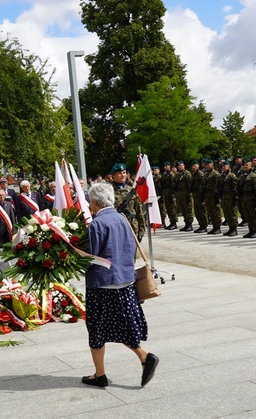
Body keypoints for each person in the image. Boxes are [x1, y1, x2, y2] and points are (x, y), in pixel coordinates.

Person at [81, 182, 158, 388]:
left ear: (95, 202)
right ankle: (144, 357)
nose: (90, 205)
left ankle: (101, 374)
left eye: (90, 201)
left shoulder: (97, 224)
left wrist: (72, 254)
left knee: (97, 329)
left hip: (103, 285)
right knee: (122, 326)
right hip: (125, 281)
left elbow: (92, 256)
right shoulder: (122, 218)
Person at [109, 163, 145, 242]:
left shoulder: (131, 190)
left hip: (132, 228)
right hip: (115, 228)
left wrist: (141, 231)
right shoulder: (107, 190)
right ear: (113, 175)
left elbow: (139, 211)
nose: (122, 175)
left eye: (124, 173)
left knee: (132, 253)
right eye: (119, 173)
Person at [238, 161, 256, 238]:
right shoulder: (242, 176)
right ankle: (250, 230)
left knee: (254, 215)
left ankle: (255, 231)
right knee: (247, 215)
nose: (245, 166)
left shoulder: (253, 176)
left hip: (251, 198)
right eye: (244, 165)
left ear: (251, 166)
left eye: (247, 165)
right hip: (244, 198)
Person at [219, 160, 238, 237]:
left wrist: (235, 198)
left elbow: (235, 186)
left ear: (229, 166)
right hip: (224, 197)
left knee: (232, 213)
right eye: (222, 166)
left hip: (230, 197)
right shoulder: (221, 176)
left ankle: (234, 229)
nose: (223, 167)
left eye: (225, 166)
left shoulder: (231, 175)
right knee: (226, 213)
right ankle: (230, 227)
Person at [202, 159, 222, 234]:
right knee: (210, 212)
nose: (207, 166)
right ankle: (214, 226)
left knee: (216, 212)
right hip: (207, 196)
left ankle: (218, 227)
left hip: (213, 195)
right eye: (206, 165)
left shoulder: (215, 174)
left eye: (208, 165)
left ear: (212, 165)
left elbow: (218, 184)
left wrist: (217, 193)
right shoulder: (206, 174)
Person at [174, 160, 194, 231]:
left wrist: (189, 194)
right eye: (179, 166)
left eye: (181, 165)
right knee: (183, 210)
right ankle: (186, 224)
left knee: (188, 210)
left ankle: (190, 224)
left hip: (186, 195)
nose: (180, 167)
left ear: (184, 166)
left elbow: (190, 184)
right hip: (180, 195)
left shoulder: (187, 173)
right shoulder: (177, 174)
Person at [190, 160, 208, 232]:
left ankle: (204, 226)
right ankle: (201, 224)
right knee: (197, 211)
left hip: (200, 196)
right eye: (193, 166)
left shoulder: (201, 174)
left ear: (198, 166)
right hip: (195, 195)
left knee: (202, 211)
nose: (194, 167)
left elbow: (203, 184)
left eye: (195, 165)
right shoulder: (194, 174)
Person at [159, 162, 177, 229]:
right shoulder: (164, 174)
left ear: (169, 166)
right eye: (165, 166)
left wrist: (172, 194)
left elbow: (172, 185)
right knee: (168, 209)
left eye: (167, 166)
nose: (165, 167)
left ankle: (174, 223)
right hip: (166, 194)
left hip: (171, 194)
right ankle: (171, 222)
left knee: (172, 209)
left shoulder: (171, 174)